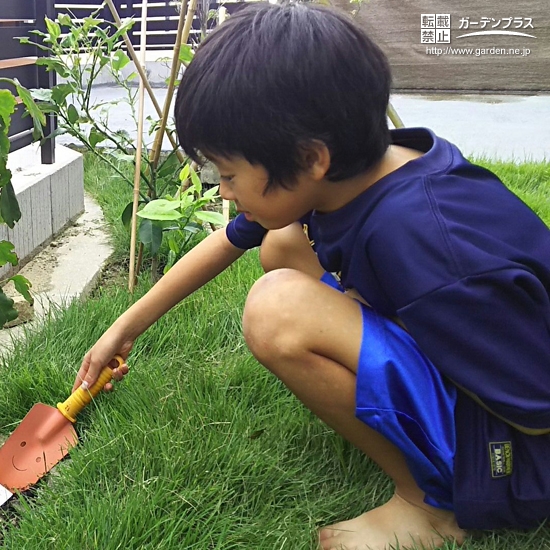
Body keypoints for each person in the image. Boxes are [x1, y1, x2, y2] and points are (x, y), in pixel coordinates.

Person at [73, 3, 550, 549]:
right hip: (460, 337)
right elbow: (228, 242)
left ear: (311, 158)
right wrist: (126, 326)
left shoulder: (422, 245)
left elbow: (535, 399)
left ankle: (430, 505)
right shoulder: (365, 169)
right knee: (281, 245)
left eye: (229, 174)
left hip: (516, 455)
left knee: (278, 309)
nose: (222, 192)